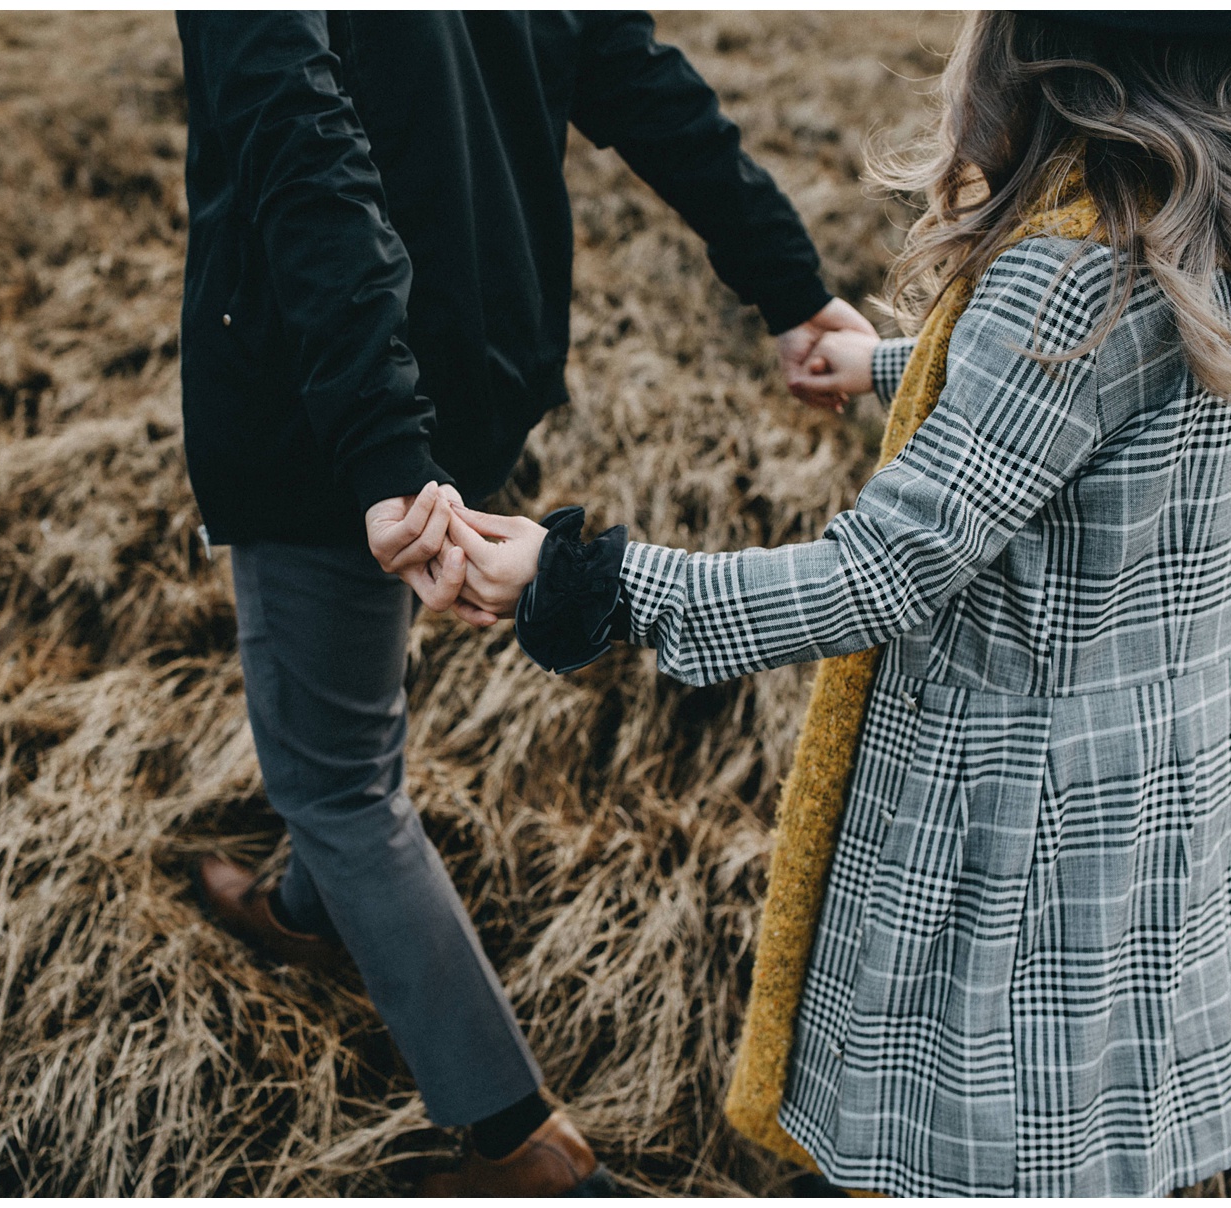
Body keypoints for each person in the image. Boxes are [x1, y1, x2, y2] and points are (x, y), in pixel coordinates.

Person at [436, 10, 1231, 1196]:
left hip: (1026, 803)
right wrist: (895, 363)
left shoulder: (1073, 270)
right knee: (1100, 1093)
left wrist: (587, 581)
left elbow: (879, 572)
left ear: (1043, 56)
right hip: (1185, 759)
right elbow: (1101, 407)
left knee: (988, 1128)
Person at [174, 12, 874, 1194]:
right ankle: (314, 903)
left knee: (337, 780)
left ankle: (514, 1137)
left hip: (332, 410)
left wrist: (384, 455)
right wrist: (790, 287)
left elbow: (303, 151)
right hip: (475, 353)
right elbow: (637, 76)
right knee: (347, 688)